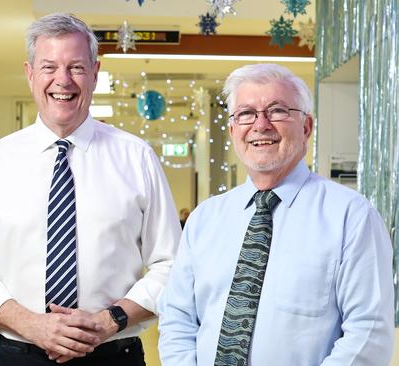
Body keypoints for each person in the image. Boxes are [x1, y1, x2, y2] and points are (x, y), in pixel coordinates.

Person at [0, 12, 180, 366]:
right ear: (29, 74)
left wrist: (108, 321)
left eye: (76, 67)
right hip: (20, 355)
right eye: (49, 67)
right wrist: (32, 325)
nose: (63, 80)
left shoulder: (137, 158)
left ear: (95, 73)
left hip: (114, 354)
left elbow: (172, 265)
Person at [158, 63, 394, 365]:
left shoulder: (352, 217)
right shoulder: (204, 220)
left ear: (306, 127)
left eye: (277, 110)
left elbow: (368, 333)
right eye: (246, 114)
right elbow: (178, 319)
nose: (261, 125)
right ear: (232, 130)